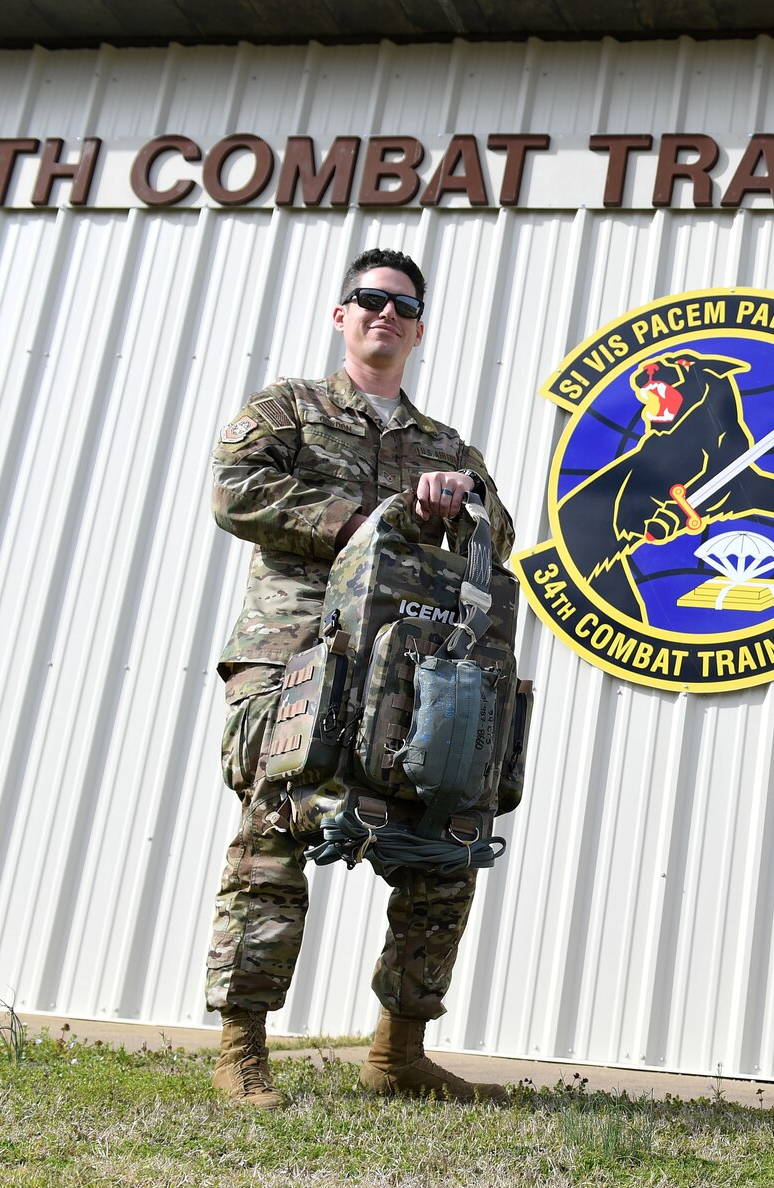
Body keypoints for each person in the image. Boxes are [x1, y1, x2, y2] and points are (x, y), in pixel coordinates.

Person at [204, 248, 516, 1108]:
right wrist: (366, 518)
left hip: (411, 670)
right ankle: (242, 1046)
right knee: (279, 824)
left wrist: (459, 506)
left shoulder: (445, 446)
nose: (384, 313)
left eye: (402, 305)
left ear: (419, 327)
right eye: (367, 299)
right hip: (297, 648)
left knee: (445, 835)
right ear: (341, 314)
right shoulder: (289, 411)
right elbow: (237, 490)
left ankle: (398, 1052)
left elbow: (501, 544)